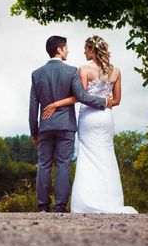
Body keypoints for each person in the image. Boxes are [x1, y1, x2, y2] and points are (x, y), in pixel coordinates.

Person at [42, 35, 138, 214]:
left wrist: (55, 104)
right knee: (107, 155)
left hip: (88, 117)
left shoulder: (83, 70)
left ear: (92, 50)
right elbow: (116, 101)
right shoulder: (116, 71)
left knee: (87, 156)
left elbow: (81, 97)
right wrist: (104, 101)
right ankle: (111, 200)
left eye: (86, 49)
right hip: (106, 118)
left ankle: (87, 201)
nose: (83, 52)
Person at [29, 35, 111, 213]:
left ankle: (43, 207)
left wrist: (34, 131)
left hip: (45, 126)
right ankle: (60, 207)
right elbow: (81, 96)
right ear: (59, 50)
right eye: (66, 48)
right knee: (63, 164)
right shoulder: (72, 71)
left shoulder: (36, 74)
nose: (68, 51)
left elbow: (33, 106)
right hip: (66, 126)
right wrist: (103, 102)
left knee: (43, 164)